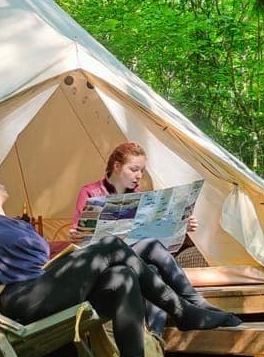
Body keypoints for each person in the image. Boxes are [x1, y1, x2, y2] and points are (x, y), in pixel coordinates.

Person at [0, 170, 238, 357]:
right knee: (110, 246)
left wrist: (76, 246)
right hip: (22, 297)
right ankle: (183, 311)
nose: (0, 179)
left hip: (46, 283)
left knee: (123, 276)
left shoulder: (16, 225)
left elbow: (46, 258)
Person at [72, 141, 241, 336]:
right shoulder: (90, 192)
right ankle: (196, 303)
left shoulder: (139, 197)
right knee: (151, 245)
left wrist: (181, 226)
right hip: (103, 261)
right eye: (134, 169)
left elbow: (153, 232)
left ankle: (156, 338)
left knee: (153, 270)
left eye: (142, 171)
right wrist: (76, 234)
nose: (139, 176)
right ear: (117, 166)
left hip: (131, 258)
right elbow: (79, 238)